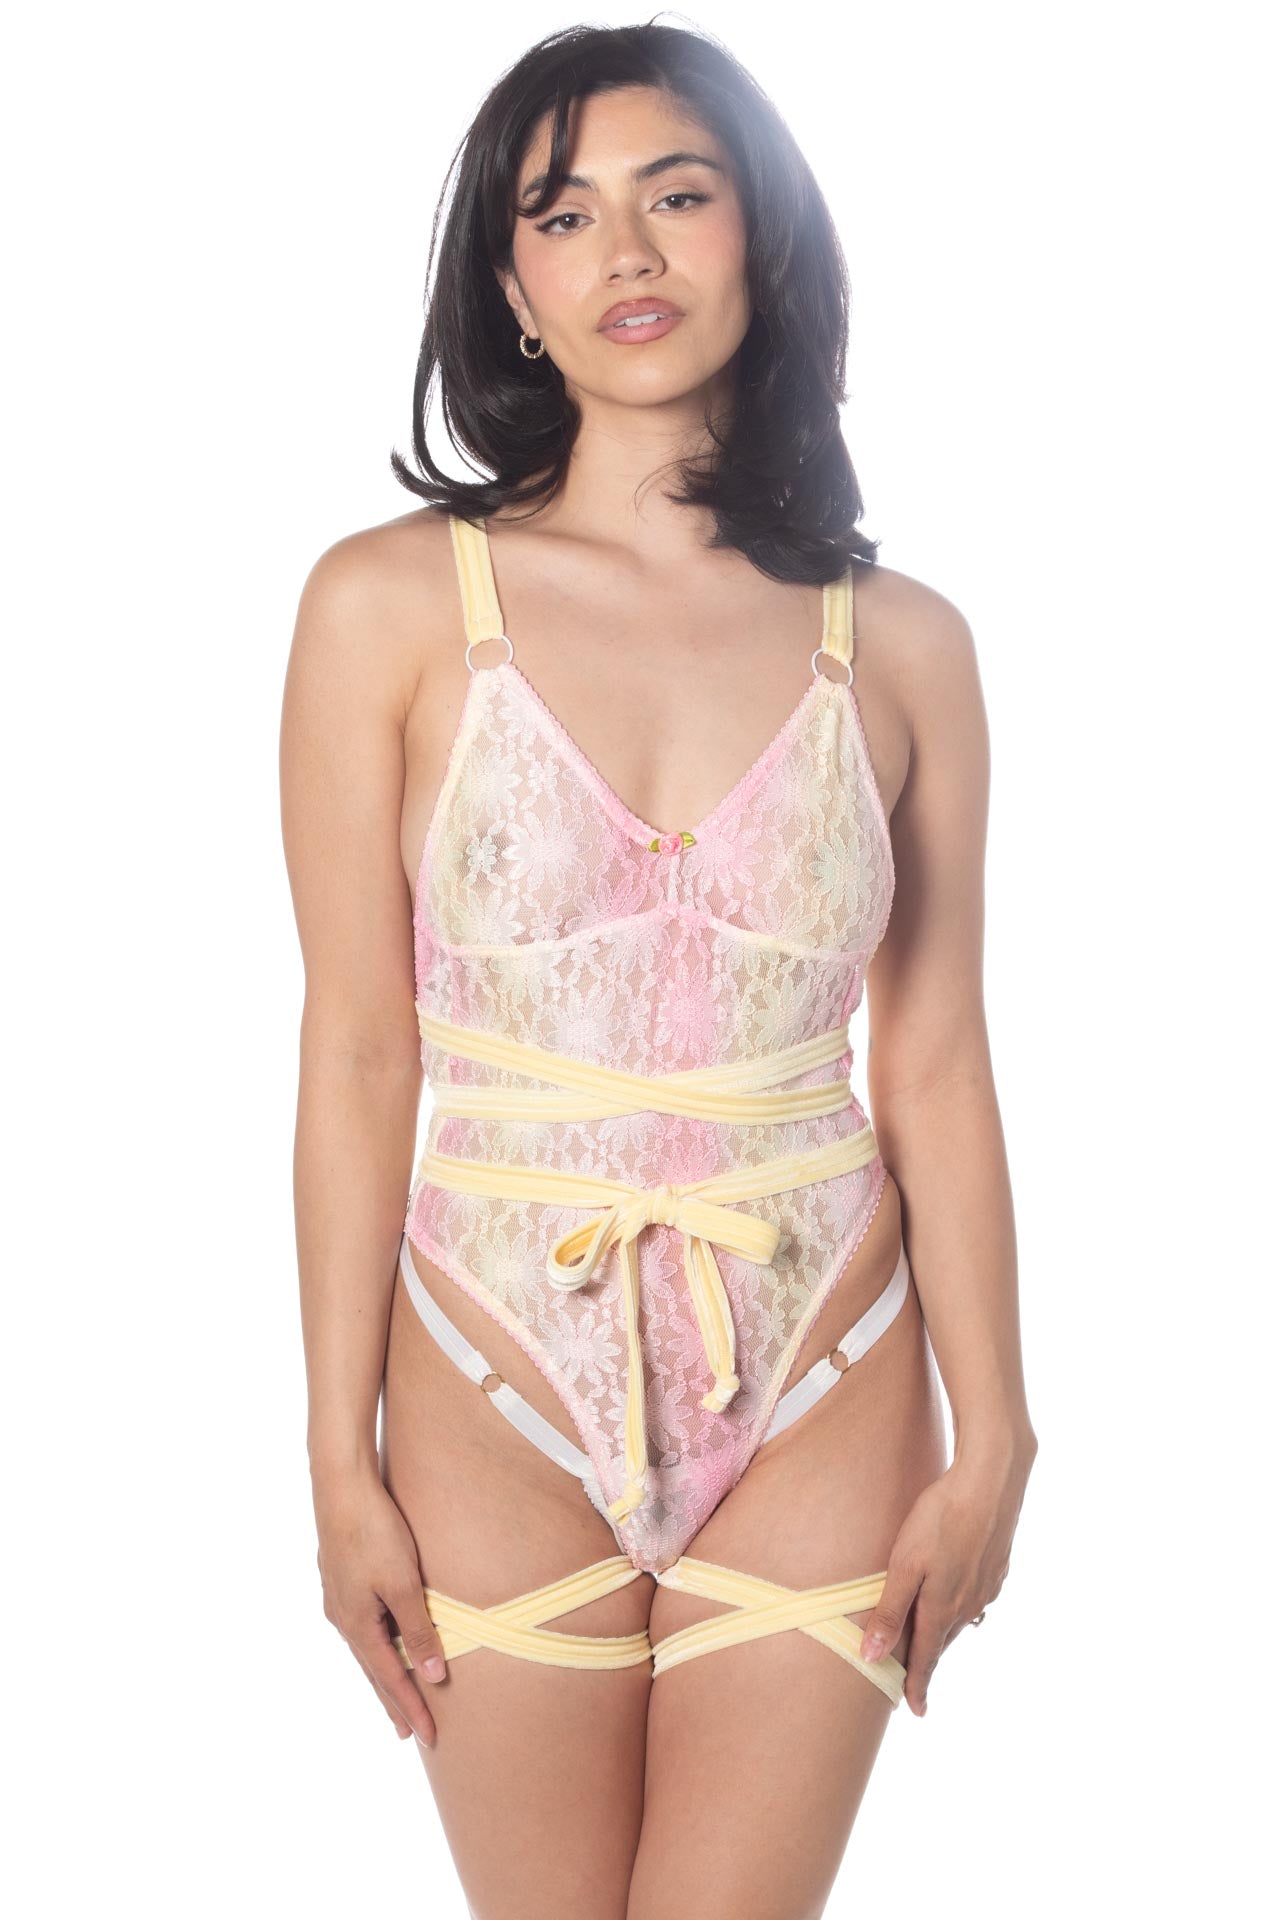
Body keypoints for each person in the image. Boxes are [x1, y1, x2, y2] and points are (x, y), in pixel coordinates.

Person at [280, 21, 1037, 1918]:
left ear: (760, 233)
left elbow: (935, 1063)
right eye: (563, 215)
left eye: (677, 196)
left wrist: (1002, 1432)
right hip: (489, 1359)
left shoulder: (905, 644)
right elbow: (359, 1053)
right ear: (509, 286)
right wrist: (334, 1459)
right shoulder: (386, 608)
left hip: (828, 1360)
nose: (625, 252)